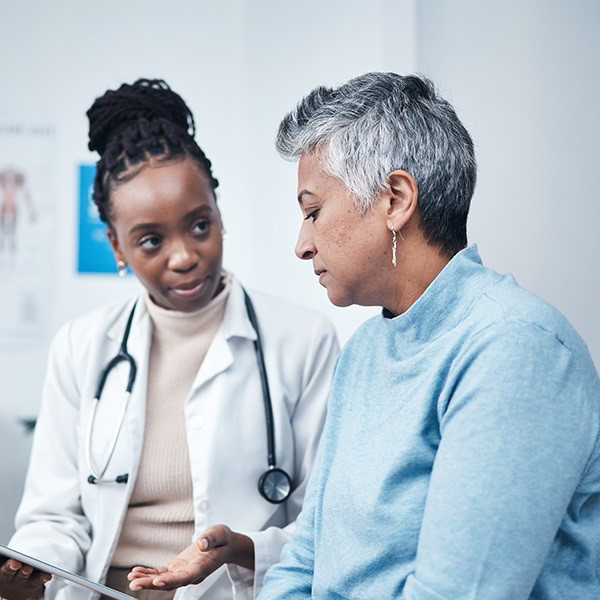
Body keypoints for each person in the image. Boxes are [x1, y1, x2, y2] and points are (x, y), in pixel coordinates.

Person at [254, 73, 599, 598]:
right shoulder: (365, 351)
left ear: (395, 199)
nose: (302, 245)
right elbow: (307, 558)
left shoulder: (515, 349)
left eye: (313, 211)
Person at [0, 79, 338, 600]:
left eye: (199, 226)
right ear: (116, 245)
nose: (183, 257)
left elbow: (321, 527)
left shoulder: (302, 341)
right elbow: (54, 517)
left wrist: (246, 547)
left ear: (219, 214)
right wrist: (30, 570)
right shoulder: (81, 346)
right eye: (151, 241)